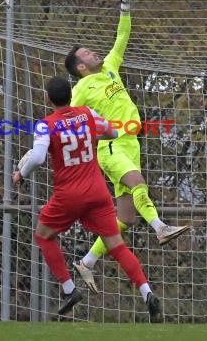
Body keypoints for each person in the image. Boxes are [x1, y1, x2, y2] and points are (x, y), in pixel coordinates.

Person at [64, 0, 189, 293]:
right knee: (138, 184)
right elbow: (67, 117)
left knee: (125, 217)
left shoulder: (109, 69)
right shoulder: (80, 89)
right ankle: (160, 228)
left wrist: (125, 3)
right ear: (80, 66)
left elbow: (122, 36)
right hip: (110, 147)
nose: (95, 54)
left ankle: (87, 261)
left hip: (132, 143)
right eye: (88, 54)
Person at [12, 76, 163, 322]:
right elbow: (112, 131)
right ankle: (147, 293)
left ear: (48, 99)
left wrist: (21, 173)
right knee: (117, 245)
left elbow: (38, 158)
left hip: (69, 195)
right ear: (71, 95)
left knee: (43, 235)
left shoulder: (46, 124)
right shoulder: (87, 114)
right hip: (97, 192)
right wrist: (89, 139)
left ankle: (69, 290)